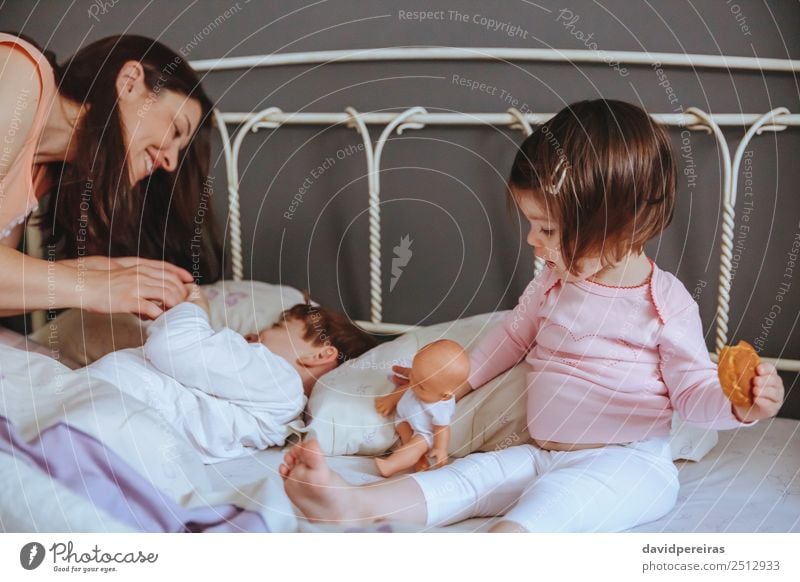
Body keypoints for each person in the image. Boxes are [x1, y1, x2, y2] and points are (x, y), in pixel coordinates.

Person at [278, 99, 785, 532]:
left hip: (627, 463)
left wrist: (741, 406)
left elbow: (693, 395)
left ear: (621, 224)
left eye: (547, 229)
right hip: (540, 450)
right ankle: (352, 504)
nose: (532, 242)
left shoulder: (664, 302)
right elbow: (512, 338)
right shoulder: (552, 283)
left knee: (543, 513)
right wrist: (454, 381)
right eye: (531, 225)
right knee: (465, 479)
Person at [0, 32, 222, 320]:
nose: (170, 161)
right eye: (177, 129)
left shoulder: (39, 173)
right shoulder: (20, 75)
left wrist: (94, 272)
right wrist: (92, 285)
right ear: (129, 83)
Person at [85, 286, 377, 463]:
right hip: (100, 405)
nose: (254, 333)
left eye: (277, 326)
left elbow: (176, 347)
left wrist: (193, 307)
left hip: (102, 408)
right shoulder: (275, 397)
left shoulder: (280, 381)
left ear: (321, 354)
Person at [373, 339, 468, 477]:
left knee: (415, 446)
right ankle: (419, 461)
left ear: (445, 396)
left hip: (423, 433)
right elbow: (407, 385)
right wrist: (391, 399)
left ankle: (390, 466)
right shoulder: (420, 379)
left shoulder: (440, 407)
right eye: (413, 376)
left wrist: (440, 449)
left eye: (421, 386)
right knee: (406, 438)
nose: (412, 384)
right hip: (403, 418)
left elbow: (442, 429)